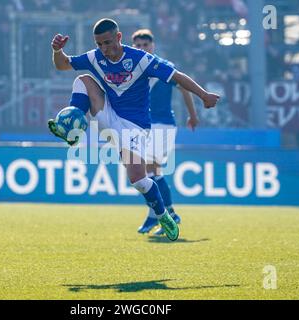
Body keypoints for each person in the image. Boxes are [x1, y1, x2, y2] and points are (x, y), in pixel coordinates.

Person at [49, 18, 219, 241]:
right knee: (83, 79)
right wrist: (57, 51)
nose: (104, 49)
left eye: (108, 43)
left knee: (139, 179)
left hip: (135, 127)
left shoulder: (141, 60)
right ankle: (72, 126)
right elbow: (63, 65)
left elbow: (177, 77)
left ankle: (162, 215)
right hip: (109, 115)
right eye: (99, 44)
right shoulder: (95, 57)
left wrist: (204, 95)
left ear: (119, 37)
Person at [131, 29, 199, 236]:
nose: (142, 49)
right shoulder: (132, 69)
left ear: (153, 46)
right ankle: (156, 215)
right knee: (149, 173)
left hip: (162, 124)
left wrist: (192, 115)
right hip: (144, 125)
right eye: (138, 46)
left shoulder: (163, 67)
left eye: (145, 45)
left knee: (150, 168)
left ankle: (168, 213)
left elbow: (184, 89)